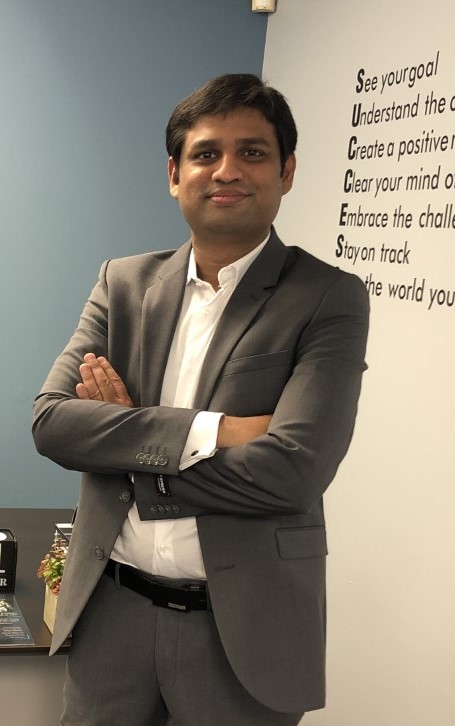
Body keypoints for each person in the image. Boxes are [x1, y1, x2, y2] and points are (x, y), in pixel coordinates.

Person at [32, 73, 370, 725]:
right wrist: (215, 432)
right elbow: (53, 424)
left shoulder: (328, 297)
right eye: (205, 153)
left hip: (243, 633)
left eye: (252, 152)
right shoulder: (122, 283)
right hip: (111, 617)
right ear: (174, 174)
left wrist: (128, 441)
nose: (227, 170)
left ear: (286, 171)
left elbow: (293, 472)